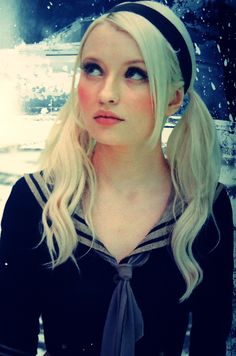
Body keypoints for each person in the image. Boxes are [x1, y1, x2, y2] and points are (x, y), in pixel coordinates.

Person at [0, 1, 233, 355]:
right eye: (93, 69)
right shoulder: (35, 200)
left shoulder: (204, 208)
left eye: (135, 73)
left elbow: (211, 344)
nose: (106, 93)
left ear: (174, 98)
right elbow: (10, 343)